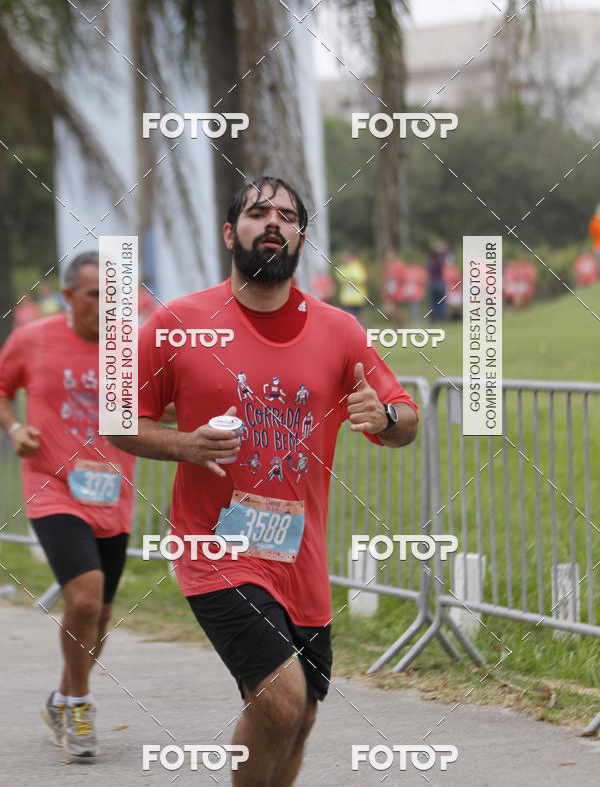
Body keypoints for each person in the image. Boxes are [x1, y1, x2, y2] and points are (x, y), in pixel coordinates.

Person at [109, 176, 419, 787]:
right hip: (214, 549)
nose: (273, 222)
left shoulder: (340, 331)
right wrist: (184, 445)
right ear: (231, 233)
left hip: (301, 556)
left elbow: (405, 418)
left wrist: (384, 418)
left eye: (287, 215)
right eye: (257, 212)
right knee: (279, 699)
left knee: (300, 715)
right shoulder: (180, 322)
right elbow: (118, 419)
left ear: (301, 237)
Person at [0, 252, 136, 758]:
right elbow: (1, 387)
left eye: (115, 295)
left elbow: (159, 404)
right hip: (51, 485)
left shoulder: (131, 349)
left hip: (113, 492)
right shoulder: (33, 339)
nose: (107, 305)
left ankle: (61, 697)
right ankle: (79, 704)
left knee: (97, 616)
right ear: (68, 296)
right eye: (96, 293)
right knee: (82, 598)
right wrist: (15, 429)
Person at [335, 251, 368, 320]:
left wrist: (349, 277)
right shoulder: (342, 267)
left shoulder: (357, 266)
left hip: (357, 299)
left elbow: (361, 278)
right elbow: (338, 276)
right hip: (346, 299)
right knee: (347, 318)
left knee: (357, 318)